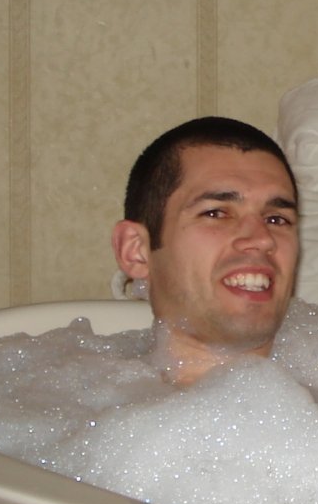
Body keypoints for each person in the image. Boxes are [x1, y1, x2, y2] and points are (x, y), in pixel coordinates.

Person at [112, 116, 300, 385]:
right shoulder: (75, 400)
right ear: (136, 251)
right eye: (216, 213)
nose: (262, 239)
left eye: (276, 219)